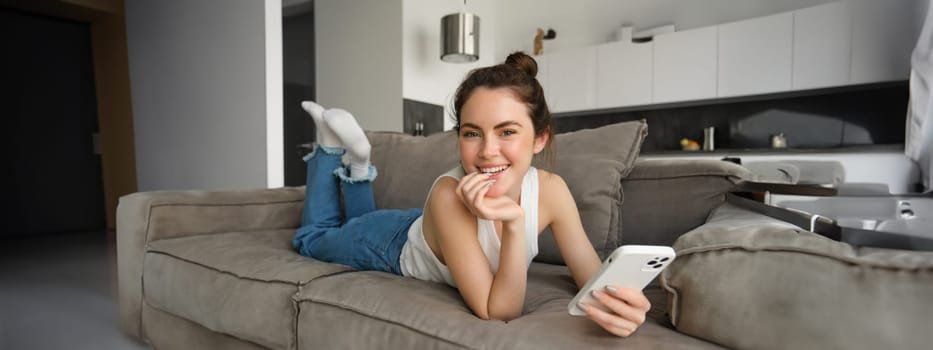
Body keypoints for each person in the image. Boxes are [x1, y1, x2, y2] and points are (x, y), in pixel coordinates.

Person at [293, 51, 650, 337]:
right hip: (390, 243)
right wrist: (514, 225)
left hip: (429, 231)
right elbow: (500, 311)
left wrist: (625, 302)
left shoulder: (552, 191)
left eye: (507, 131)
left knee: (353, 221)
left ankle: (359, 164)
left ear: (540, 138)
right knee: (311, 239)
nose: (487, 152)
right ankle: (329, 149)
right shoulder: (451, 197)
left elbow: (590, 275)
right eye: (472, 133)